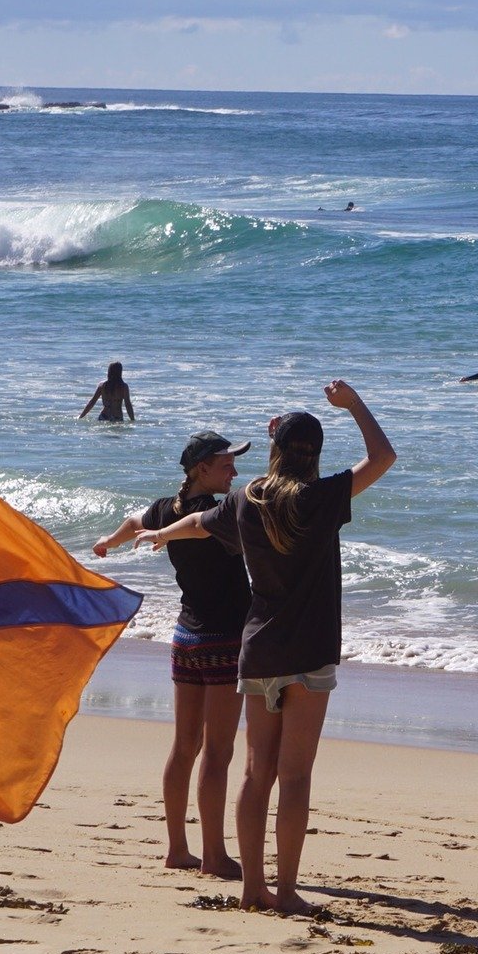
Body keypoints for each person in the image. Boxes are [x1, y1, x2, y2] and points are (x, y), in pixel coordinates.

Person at [137, 381, 397, 913]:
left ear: (275, 451)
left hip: (257, 650)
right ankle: (285, 892)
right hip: (309, 652)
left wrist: (163, 535)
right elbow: (383, 456)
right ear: (315, 455)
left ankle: (252, 887)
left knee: (257, 773)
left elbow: (199, 524)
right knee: (294, 776)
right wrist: (353, 406)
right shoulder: (321, 499)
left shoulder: (246, 499)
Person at [94, 431, 253, 875]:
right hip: (223, 640)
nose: (234, 472)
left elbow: (132, 519)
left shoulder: (167, 507)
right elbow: (198, 527)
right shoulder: (218, 512)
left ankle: (178, 850)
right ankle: (215, 855)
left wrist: (110, 540)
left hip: (185, 638)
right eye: (226, 464)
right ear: (201, 468)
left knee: (184, 747)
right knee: (217, 753)